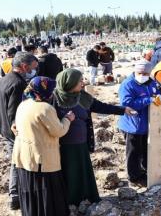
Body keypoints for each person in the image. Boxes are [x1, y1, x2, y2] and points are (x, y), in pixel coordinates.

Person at [52, 69, 135, 205]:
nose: (83, 83)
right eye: (79, 81)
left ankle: (85, 197)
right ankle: (70, 202)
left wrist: (122, 110)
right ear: (69, 82)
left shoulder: (82, 96)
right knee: (69, 173)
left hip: (82, 144)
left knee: (83, 172)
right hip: (64, 147)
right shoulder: (54, 99)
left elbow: (101, 107)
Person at [12, 77, 74, 216]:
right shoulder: (45, 108)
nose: (52, 93)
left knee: (30, 188)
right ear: (44, 91)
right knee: (47, 189)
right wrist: (68, 119)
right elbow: (58, 131)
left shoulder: (24, 104)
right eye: (51, 90)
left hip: (24, 155)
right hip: (42, 157)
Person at [0, 52, 39, 210]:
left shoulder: (6, 78)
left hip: (2, 125)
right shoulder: (18, 84)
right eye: (33, 67)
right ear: (24, 66)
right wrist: (19, 130)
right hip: (12, 130)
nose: (34, 71)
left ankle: (16, 194)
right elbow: (14, 112)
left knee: (15, 160)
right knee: (18, 161)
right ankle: (15, 196)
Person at [118, 60, 161, 186]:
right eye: (140, 72)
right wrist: (147, 100)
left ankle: (143, 171)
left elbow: (156, 93)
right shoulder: (128, 84)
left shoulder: (151, 82)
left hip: (147, 123)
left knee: (144, 149)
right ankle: (133, 177)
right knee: (133, 152)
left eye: (145, 73)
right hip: (132, 125)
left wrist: (158, 98)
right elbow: (127, 104)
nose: (142, 75)